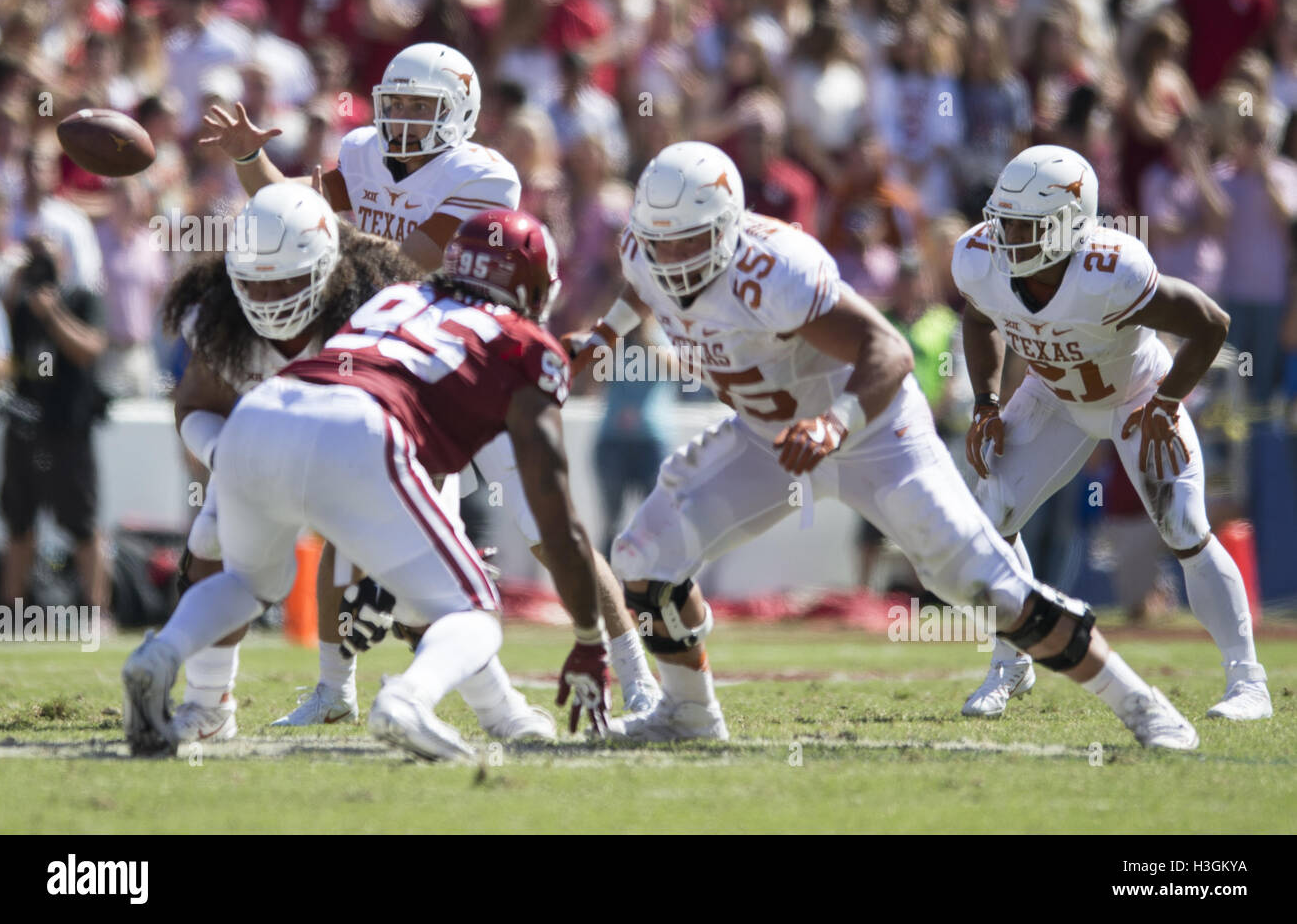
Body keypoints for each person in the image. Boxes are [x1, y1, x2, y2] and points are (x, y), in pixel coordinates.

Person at [565, 141, 1200, 751]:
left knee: (982, 584)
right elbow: (642, 285)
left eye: (689, 240)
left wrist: (835, 424)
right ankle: (688, 714)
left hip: (872, 432)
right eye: (660, 240)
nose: (673, 256)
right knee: (644, 557)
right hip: (770, 438)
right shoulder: (645, 250)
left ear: (729, 227)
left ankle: (1140, 702)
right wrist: (600, 337)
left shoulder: (775, 268)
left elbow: (888, 350)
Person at [198, 42, 660, 723]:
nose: (408, 118)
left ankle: (636, 673)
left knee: (547, 523)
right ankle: (334, 690)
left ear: (463, 113)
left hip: (474, 363)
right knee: (342, 515)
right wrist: (250, 161)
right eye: (400, 104)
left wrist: (318, 235)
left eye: (424, 106)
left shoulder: (483, 175)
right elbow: (297, 215)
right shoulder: (361, 152)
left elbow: (399, 265)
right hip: (396, 367)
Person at [122, 195, 610, 760]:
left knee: (247, 583)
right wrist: (589, 639)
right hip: (362, 431)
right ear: (536, 290)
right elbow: (555, 510)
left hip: (264, 410)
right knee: (471, 611)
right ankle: (409, 699)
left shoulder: (401, 297)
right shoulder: (527, 344)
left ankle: (158, 657)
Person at [956, 144, 1271, 721]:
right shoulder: (980, 257)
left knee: (1185, 528)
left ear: (1071, 225)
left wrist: (1169, 400)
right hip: (1053, 396)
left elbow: (1210, 324)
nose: (1009, 238)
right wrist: (986, 401)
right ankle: (1011, 658)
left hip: (1135, 397)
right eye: (1005, 221)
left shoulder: (1112, 270)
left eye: (1028, 226)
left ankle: (1248, 681)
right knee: (989, 515)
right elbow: (979, 317)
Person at [0, 235, 110, 618]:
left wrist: (52, 314)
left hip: (69, 432)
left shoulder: (81, 298)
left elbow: (89, 349)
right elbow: (10, 355)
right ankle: (12, 615)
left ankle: (98, 614)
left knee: (82, 523)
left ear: (64, 259)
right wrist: (17, 289)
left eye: (45, 259)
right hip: (26, 430)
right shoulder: (22, 305)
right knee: (18, 523)